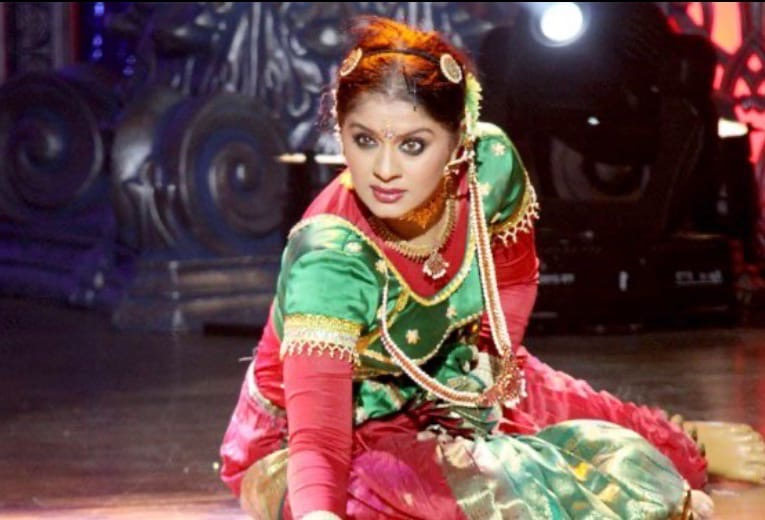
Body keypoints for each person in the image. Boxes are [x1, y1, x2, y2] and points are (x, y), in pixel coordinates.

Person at [219, 16, 715, 519]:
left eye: (413, 144)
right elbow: (320, 441)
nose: (384, 170)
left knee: (629, 442)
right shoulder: (330, 255)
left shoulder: (488, 168)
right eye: (364, 140)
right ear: (339, 132)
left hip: (448, 371)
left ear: (459, 137)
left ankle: (686, 443)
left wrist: (487, 379)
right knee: (424, 491)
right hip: (333, 433)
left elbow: (515, 278)